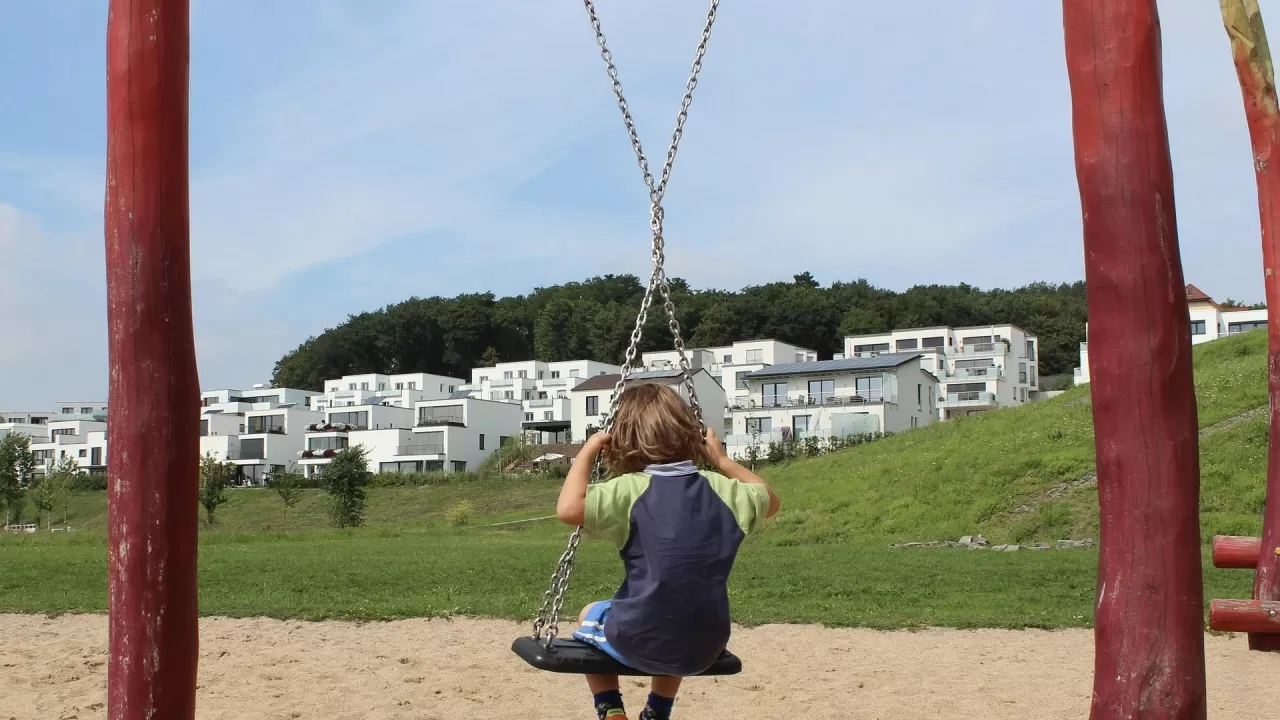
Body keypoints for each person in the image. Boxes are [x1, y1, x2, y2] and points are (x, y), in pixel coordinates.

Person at [555, 382, 781, 720]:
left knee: (591, 613)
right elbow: (770, 500)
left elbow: (568, 508)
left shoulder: (631, 491)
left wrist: (586, 453)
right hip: (707, 643)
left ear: (623, 439)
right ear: (692, 434)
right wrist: (722, 461)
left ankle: (610, 708)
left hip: (637, 638)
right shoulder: (723, 491)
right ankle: (658, 710)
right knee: (677, 612)